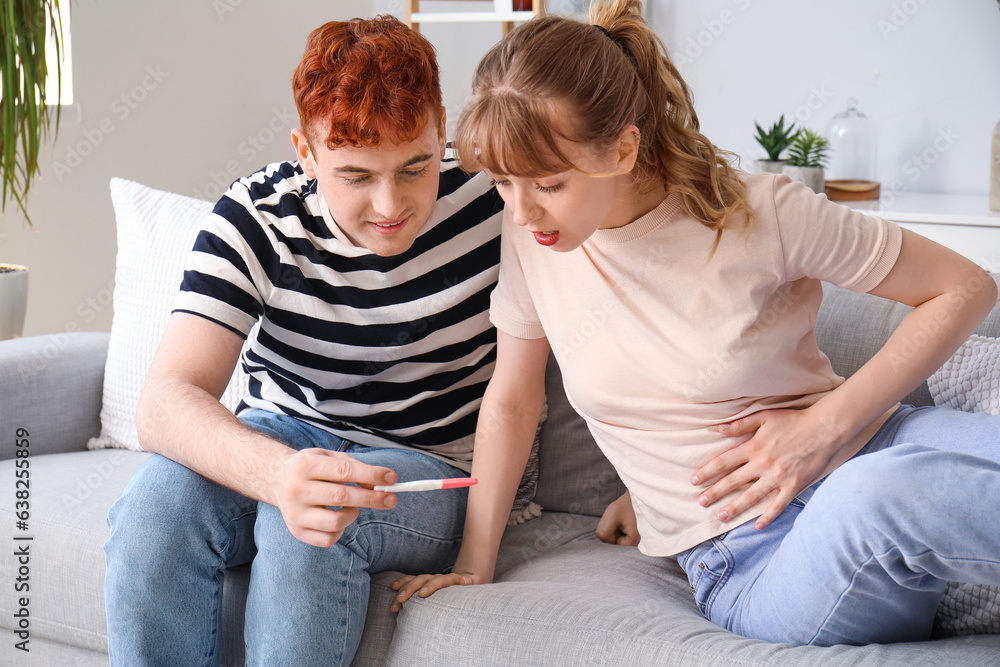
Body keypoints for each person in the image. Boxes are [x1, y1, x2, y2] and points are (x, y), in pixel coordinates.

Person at [390, 0, 1000, 647]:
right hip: (751, 553)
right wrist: (472, 564)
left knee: (893, 471)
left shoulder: (761, 212)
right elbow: (512, 399)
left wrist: (822, 427)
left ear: (623, 148)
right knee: (885, 493)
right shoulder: (534, 239)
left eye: (547, 182)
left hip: (869, 444)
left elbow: (964, 286)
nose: (521, 208)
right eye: (504, 183)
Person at [103, 16, 504, 666]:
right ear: (306, 152)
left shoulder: (496, 197)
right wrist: (279, 473)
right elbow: (166, 401)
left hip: (432, 463)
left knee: (313, 527)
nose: (389, 205)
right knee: (151, 517)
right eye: (354, 176)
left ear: (442, 124)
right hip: (281, 433)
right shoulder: (258, 213)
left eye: (414, 166)